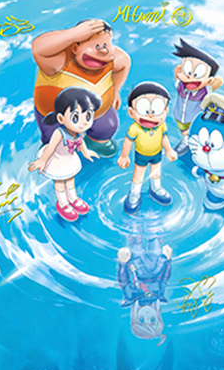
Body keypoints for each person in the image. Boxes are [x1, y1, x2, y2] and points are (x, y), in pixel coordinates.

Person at [31, 18, 130, 155]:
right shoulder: (59, 61)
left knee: (107, 127)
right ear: (75, 48)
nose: (103, 51)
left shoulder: (114, 59)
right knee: (54, 139)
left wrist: (114, 90)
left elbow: (124, 65)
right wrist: (73, 34)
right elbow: (38, 49)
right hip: (56, 116)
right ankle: (57, 150)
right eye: (96, 46)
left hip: (97, 112)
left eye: (106, 44)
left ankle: (97, 142)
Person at [28, 87, 102, 221]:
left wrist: (86, 152)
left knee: (70, 179)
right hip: (57, 159)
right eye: (76, 117)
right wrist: (42, 161)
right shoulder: (59, 133)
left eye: (88, 116)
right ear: (61, 118)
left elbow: (80, 141)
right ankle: (62, 203)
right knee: (60, 182)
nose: (84, 122)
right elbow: (51, 148)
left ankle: (73, 198)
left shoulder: (79, 131)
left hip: (69, 158)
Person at [117, 83, 178, 214]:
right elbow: (128, 141)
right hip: (141, 155)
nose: (150, 114)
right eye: (143, 108)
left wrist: (168, 150)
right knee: (138, 175)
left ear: (165, 111)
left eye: (157, 108)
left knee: (156, 173)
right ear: (131, 112)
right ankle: (135, 193)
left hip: (157, 154)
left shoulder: (161, 126)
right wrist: (124, 156)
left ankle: (156, 188)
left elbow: (164, 137)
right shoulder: (135, 128)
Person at [171, 38, 224, 146]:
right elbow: (177, 73)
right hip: (179, 116)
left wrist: (209, 82)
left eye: (197, 74)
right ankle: (185, 140)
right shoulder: (181, 86)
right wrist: (180, 72)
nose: (190, 77)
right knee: (183, 130)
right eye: (187, 71)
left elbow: (219, 81)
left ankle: (193, 142)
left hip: (195, 118)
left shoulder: (204, 91)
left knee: (195, 131)